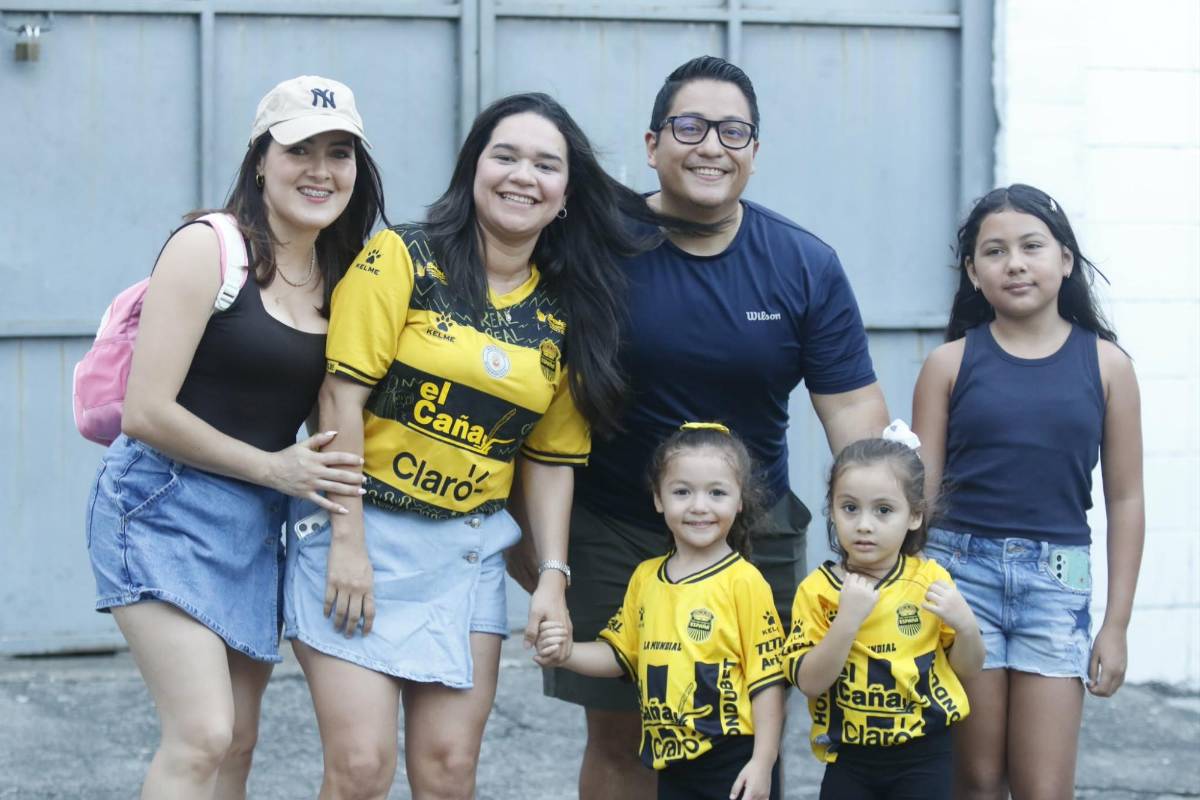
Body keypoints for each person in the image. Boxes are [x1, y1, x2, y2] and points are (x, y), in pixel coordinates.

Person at [287, 92, 705, 800]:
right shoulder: (402, 257)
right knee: (359, 771)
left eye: (546, 164)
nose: (523, 175)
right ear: (473, 169)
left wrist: (551, 575)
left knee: (450, 774)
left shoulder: (566, 312)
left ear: (565, 194)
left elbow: (549, 461)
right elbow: (339, 400)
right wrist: (347, 540)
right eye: (504, 155)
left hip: (467, 555)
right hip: (363, 540)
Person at [531, 54, 890, 798]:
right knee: (623, 737)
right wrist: (545, 556)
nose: (711, 146)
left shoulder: (803, 264)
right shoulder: (591, 245)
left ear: (755, 154)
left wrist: (878, 542)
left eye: (734, 131)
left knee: (747, 733)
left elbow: (857, 419)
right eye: (689, 126)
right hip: (617, 529)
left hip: (754, 536)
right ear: (653, 142)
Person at [84, 75, 385, 799]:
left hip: (254, 527)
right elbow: (146, 411)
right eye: (299, 150)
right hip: (159, 504)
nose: (321, 170)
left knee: (238, 745)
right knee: (203, 734)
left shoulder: (343, 274)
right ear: (260, 160)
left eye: (339, 153)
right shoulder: (208, 247)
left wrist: (349, 540)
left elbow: (332, 421)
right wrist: (273, 469)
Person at [912, 184, 1145, 799]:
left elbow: (1125, 499)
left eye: (1031, 246)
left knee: (1044, 788)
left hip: (1056, 588)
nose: (1014, 263)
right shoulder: (948, 366)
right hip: (961, 582)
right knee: (978, 780)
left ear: (1065, 259)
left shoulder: (1109, 367)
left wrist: (1115, 625)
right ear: (972, 271)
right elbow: (919, 501)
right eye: (994, 251)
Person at [536, 423, 787, 800]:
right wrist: (567, 654)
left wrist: (763, 762)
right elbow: (620, 654)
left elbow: (767, 682)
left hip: (732, 760)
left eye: (716, 493)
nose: (699, 506)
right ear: (658, 498)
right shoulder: (646, 578)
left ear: (739, 501)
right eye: (682, 491)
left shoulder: (744, 582)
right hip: (670, 762)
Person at [784, 429, 985, 799]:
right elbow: (809, 683)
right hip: (850, 759)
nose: (864, 524)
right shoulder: (818, 590)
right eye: (850, 508)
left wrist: (967, 626)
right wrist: (847, 621)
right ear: (832, 510)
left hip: (925, 754)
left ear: (913, 517)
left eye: (883, 510)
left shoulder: (929, 579)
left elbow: (968, 668)